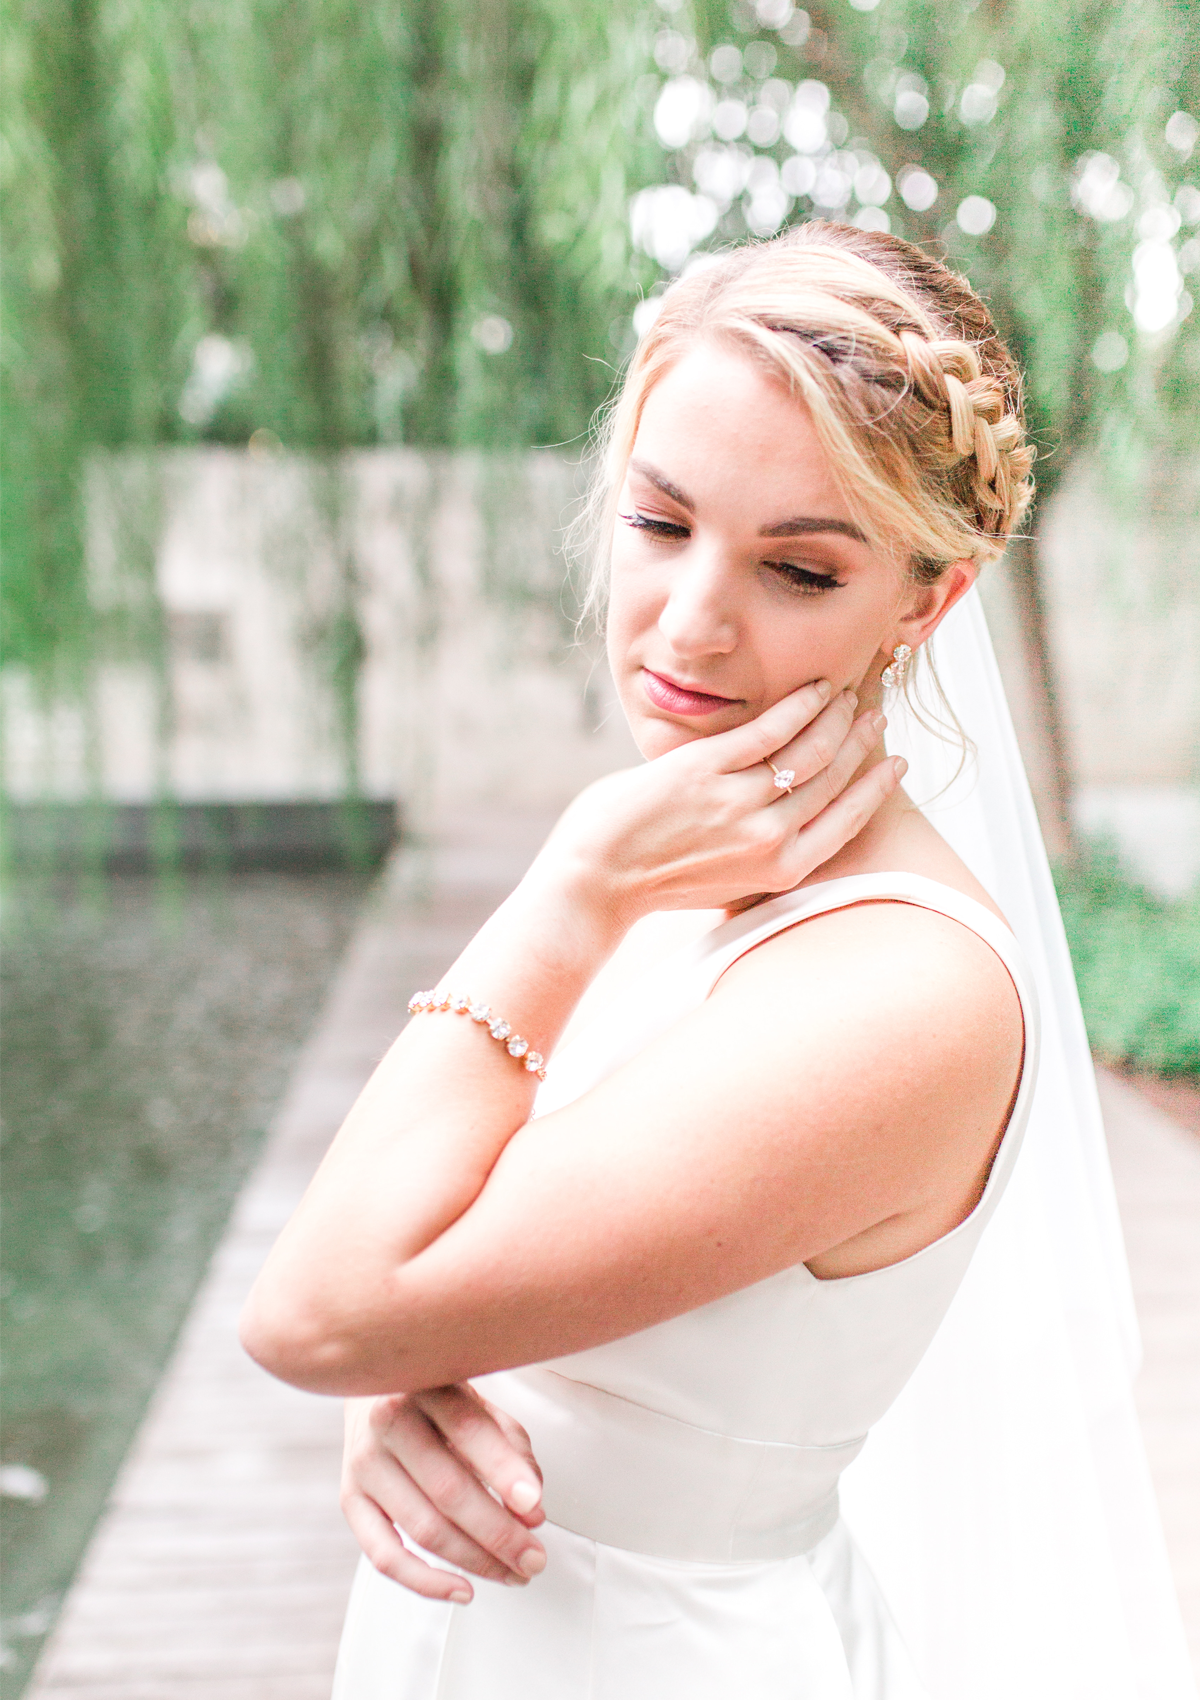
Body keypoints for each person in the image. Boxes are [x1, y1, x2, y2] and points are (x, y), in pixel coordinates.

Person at [241, 223, 1195, 1699]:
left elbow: (311, 1307)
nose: (692, 621)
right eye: (661, 523)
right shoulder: (701, 866)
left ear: (925, 606)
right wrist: (419, 1380)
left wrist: (571, 887)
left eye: (799, 570)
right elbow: (416, 1267)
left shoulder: (896, 993)